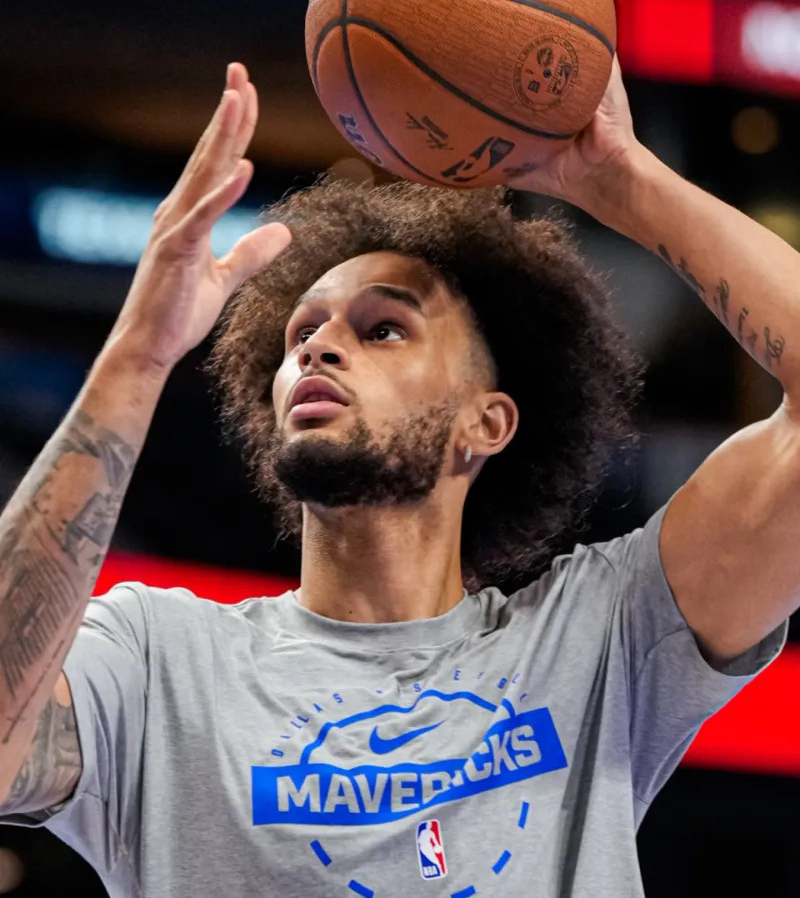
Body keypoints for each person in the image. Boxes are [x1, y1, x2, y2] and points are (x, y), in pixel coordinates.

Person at [0, 58, 794, 898]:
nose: (318, 346)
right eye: (300, 334)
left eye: (383, 328)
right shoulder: (162, 661)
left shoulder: (599, 635)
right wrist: (138, 353)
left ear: (486, 422)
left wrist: (624, 180)